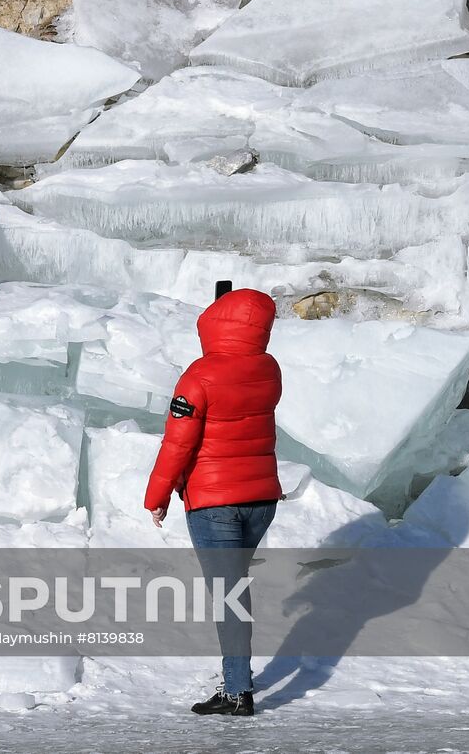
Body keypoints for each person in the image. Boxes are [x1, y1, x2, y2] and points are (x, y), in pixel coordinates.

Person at [143, 286, 284, 717]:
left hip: (214, 503)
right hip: (261, 499)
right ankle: (236, 679)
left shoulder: (198, 376)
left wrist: (157, 495)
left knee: (229, 595)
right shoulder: (269, 368)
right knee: (234, 590)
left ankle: (238, 692)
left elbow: (178, 443)